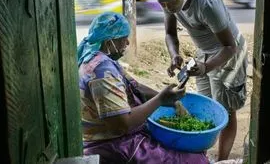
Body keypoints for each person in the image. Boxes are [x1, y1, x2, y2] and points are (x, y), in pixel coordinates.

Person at [77, 12, 209, 164]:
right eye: (123, 38)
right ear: (109, 42)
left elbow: (136, 86)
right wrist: (160, 100)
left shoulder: (98, 57)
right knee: (196, 160)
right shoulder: (102, 72)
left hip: (118, 137)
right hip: (114, 144)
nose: (127, 43)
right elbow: (122, 124)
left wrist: (170, 99)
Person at [154, 0, 248, 161]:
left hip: (228, 52)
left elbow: (230, 46)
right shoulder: (168, 1)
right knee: (209, 107)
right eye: (162, 4)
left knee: (225, 110)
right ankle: (203, 158)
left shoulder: (206, 5)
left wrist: (207, 67)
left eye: (172, 2)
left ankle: (221, 160)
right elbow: (170, 34)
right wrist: (174, 55)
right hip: (203, 53)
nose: (168, 8)